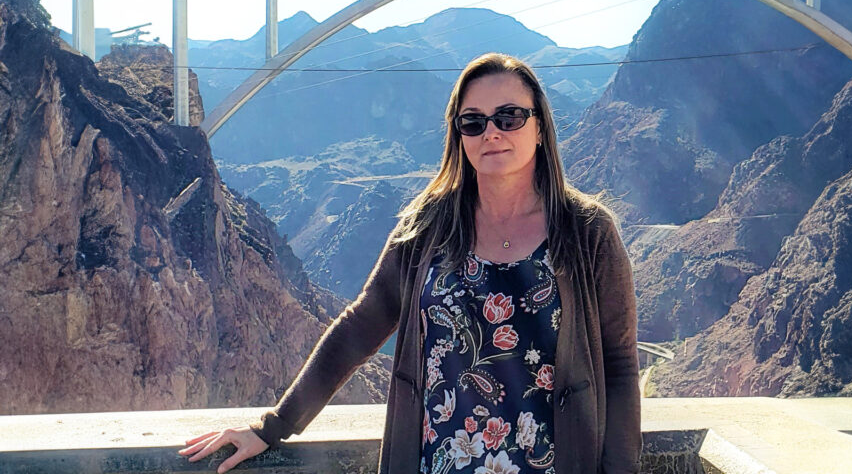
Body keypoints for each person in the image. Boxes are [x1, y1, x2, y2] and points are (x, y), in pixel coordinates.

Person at [179, 53, 641, 474]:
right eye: (473, 122)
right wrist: (273, 427)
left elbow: (619, 366)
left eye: (509, 117)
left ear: (539, 127)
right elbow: (360, 326)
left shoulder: (587, 232)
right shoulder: (429, 227)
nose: (492, 132)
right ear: (458, 135)